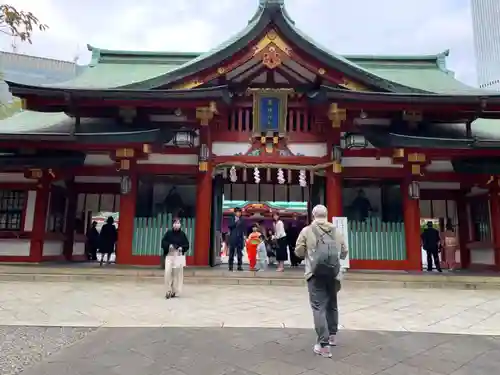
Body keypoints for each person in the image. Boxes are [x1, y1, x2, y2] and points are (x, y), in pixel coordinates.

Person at [295, 204, 348, 358]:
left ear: (313, 215)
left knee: (318, 307)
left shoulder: (307, 231)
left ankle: (323, 345)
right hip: (333, 273)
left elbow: (298, 252)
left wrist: (310, 252)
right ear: (326, 215)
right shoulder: (335, 230)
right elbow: (344, 251)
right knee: (332, 303)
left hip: (314, 273)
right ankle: (332, 336)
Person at [161, 219, 189, 299]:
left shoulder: (183, 234)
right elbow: (163, 242)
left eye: (178, 223)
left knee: (177, 275)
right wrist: (169, 245)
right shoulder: (168, 233)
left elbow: (187, 245)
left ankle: (175, 291)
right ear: (172, 224)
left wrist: (181, 248)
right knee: (167, 272)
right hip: (170, 255)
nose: (177, 224)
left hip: (179, 255)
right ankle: (168, 290)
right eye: (175, 223)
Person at [228, 207, 245, 271]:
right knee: (231, 252)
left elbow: (243, 228)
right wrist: (236, 222)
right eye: (237, 212)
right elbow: (229, 226)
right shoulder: (232, 219)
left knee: (239, 253)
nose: (239, 213)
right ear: (235, 213)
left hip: (240, 238)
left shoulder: (242, 219)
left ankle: (239, 266)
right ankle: (230, 266)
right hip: (233, 237)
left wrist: (244, 236)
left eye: (240, 212)